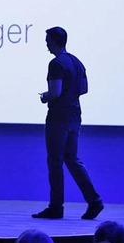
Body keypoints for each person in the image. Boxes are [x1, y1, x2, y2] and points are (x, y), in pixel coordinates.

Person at [34, 26, 103, 220]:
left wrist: (45, 96)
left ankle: (56, 207)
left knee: (55, 161)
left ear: (54, 41)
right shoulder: (77, 62)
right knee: (72, 159)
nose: (46, 44)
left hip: (58, 117)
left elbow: (55, 92)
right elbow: (84, 89)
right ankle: (94, 200)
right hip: (75, 115)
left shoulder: (56, 64)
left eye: (48, 40)